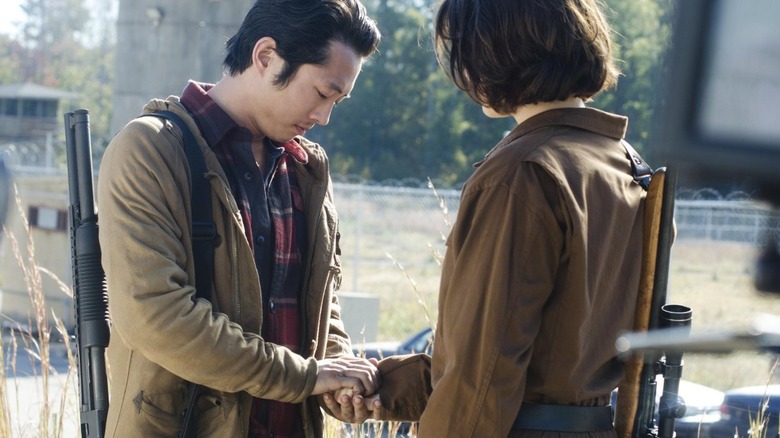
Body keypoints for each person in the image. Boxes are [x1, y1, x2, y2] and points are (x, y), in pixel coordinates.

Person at [97, 1, 383, 436]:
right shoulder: (151, 151)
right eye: (323, 93)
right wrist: (305, 376)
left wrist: (339, 380)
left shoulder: (306, 170)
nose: (324, 117)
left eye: (337, 102)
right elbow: (155, 315)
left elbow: (321, 299)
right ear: (266, 56)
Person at [375, 0, 649, 436]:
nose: (464, 72)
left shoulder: (522, 173)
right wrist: (387, 388)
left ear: (498, 52)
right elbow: (557, 353)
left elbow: (481, 373)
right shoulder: (626, 165)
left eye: (465, 50)